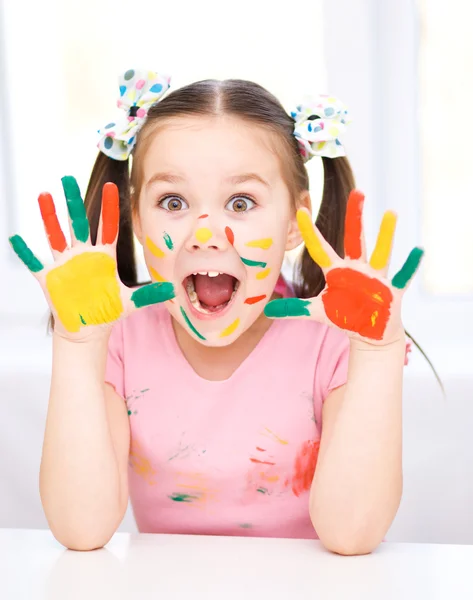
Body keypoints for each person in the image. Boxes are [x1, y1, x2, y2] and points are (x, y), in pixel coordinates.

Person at [9, 69, 423, 555]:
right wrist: (78, 345)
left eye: (241, 202)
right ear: (137, 220)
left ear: (295, 223)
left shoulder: (335, 341)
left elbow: (352, 536)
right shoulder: (118, 337)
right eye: (174, 201)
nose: (206, 232)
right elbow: (81, 529)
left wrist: (377, 353)